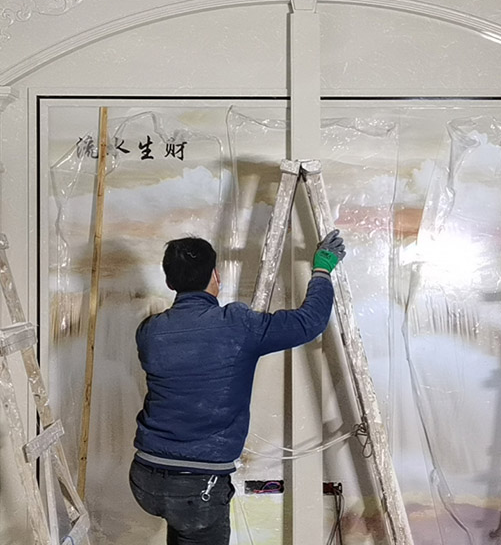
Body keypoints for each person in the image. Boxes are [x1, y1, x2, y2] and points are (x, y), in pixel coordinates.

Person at [129, 230, 345, 544]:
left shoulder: (149, 331)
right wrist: (322, 269)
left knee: (183, 528)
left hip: (145, 478)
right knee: (191, 523)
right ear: (215, 276)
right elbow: (308, 322)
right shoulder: (237, 325)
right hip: (197, 488)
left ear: (169, 282)